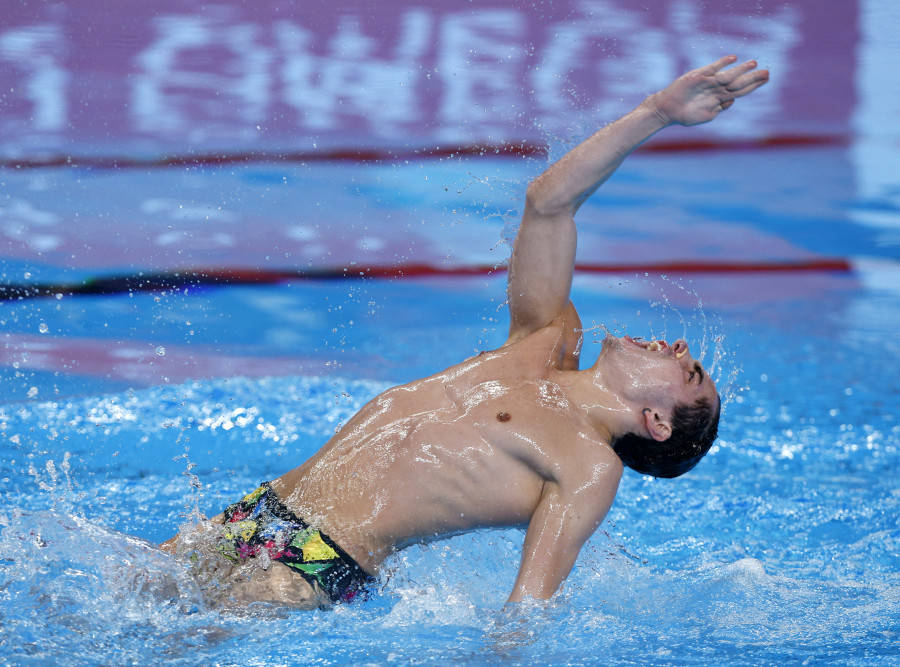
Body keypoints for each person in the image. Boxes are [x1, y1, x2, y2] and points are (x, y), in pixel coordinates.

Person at [161, 56, 769, 609]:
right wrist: (655, 113)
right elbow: (548, 204)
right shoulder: (542, 341)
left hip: (319, 566)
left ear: (656, 423)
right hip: (258, 518)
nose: (682, 349)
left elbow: (526, 607)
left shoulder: (586, 467)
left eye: (690, 374)